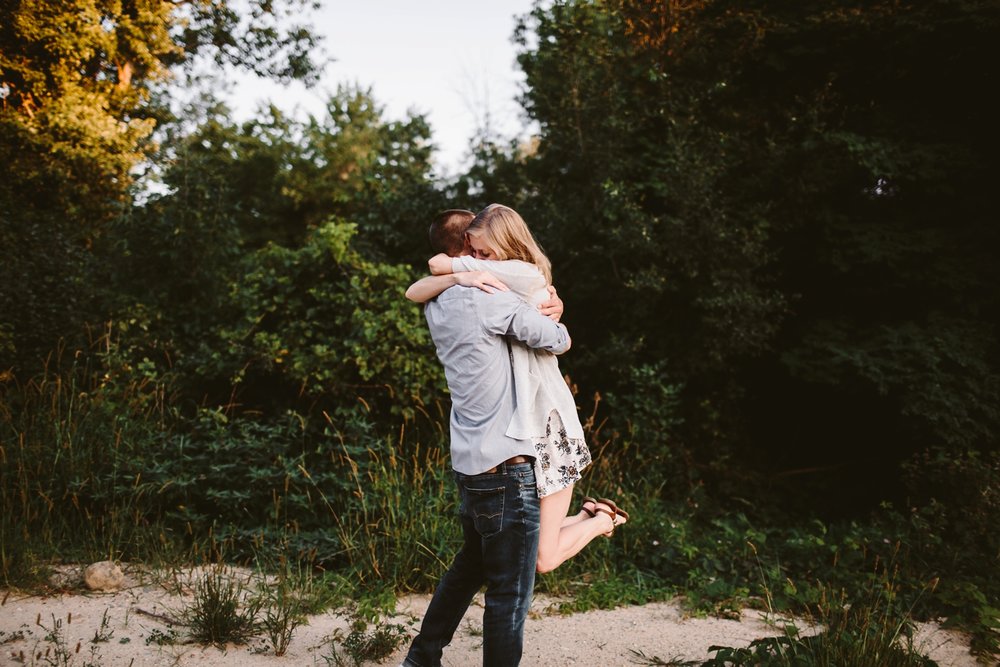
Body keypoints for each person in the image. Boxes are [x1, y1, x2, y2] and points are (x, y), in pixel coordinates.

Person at [406, 205, 629, 577]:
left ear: (502, 243)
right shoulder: (494, 277)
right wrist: (460, 279)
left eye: (483, 252)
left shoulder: (519, 273)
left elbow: (435, 267)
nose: (477, 259)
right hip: (525, 429)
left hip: (550, 424)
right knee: (536, 544)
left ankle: (601, 521)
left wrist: (461, 273)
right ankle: (594, 512)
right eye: (473, 252)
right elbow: (419, 287)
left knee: (542, 559)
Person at [399, 209, 573, 667]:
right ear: (472, 250)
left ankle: (422, 657)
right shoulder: (492, 298)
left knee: (469, 569)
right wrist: (554, 309)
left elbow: (421, 287)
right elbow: (555, 339)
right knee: (509, 595)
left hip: (471, 464)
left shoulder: (439, 303)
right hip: (509, 465)